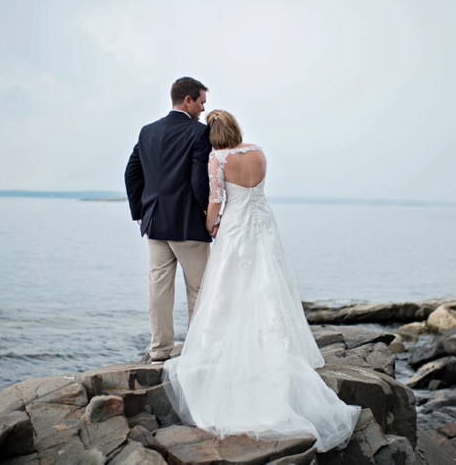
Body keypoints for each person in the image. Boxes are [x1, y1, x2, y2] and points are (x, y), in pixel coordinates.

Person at [162, 110, 360, 452]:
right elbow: (256, 188)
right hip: (264, 222)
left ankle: (229, 344)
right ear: (236, 129)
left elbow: (216, 199)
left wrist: (210, 225)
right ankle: (279, 340)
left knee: (231, 283)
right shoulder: (258, 151)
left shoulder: (217, 158)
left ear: (213, 135)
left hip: (237, 225)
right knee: (270, 279)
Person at [124, 77, 215, 365]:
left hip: (154, 224)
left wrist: (140, 211)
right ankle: (198, 350)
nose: (202, 109)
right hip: (187, 224)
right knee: (200, 288)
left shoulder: (147, 131)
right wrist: (207, 218)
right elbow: (199, 181)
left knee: (159, 288)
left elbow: (131, 172)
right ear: (187, 100)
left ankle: (159, 352)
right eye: (201, 102)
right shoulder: (199, 133)